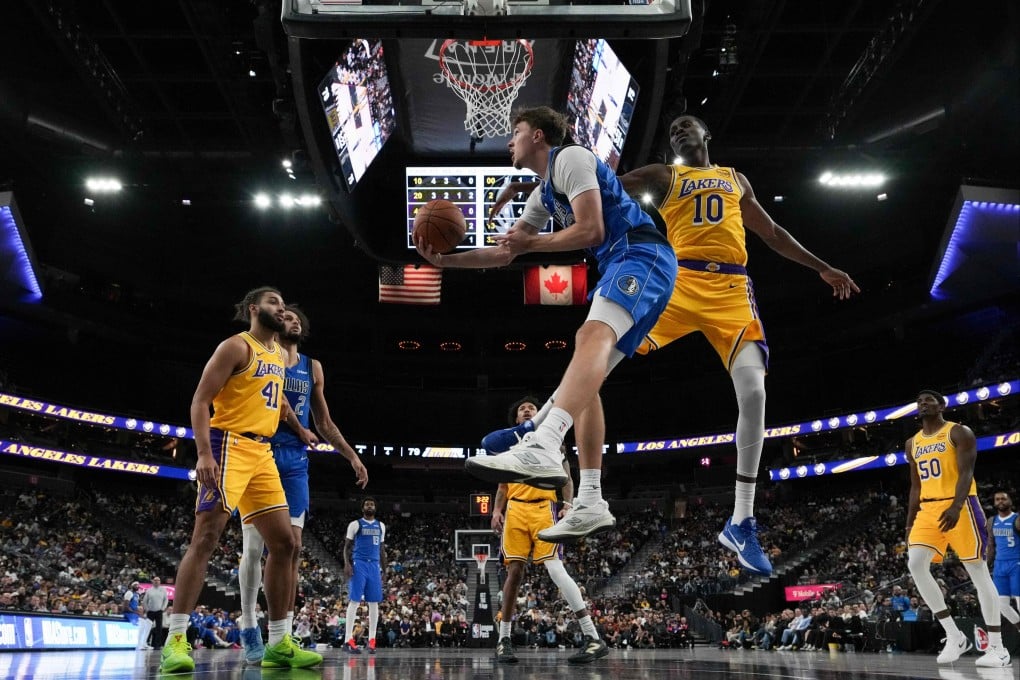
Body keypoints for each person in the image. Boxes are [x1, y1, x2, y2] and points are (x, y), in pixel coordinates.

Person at [487, 115, 858, 570]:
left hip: (731, 290)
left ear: (707, 134)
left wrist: (822, 267)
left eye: (687, 125)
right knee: (597, 357)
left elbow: (773, 234)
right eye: (673, 130)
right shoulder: (665, 176)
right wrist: (534, 187)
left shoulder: (735, 180)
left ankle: (741, 520)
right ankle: (535, 430)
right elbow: (597, 186)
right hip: (678, 282)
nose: (679, 131)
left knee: (755, 393)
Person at [418, 106, 677, 543]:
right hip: (623, 263)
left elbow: (592, 230)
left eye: (516, 131)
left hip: (641, 254)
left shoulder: (571, 158)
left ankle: (543, 441)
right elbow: (506, 253)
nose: (509, 141)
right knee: (586, 375)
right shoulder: (541, 195)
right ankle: (590, 498)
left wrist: (532, 241)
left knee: (588, 337)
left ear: (538, 135)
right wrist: (446, 262)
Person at [159, 286, 323, 673]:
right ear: (253, 309)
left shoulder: (278, 354)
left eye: (283, 304)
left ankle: (279, 643)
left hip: (262, 452)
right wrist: (203, 453)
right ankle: (175, 640)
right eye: (273, 302)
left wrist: (300, 428)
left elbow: (278, 401)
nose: (281, 308)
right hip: (228, 444)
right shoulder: (236, 346)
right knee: (206, 537)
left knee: (285, 544)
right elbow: (200, 401)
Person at [238, 304, 369, 664]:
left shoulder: (313, 367)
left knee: (293, 548)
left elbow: (323, 422)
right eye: (285, 317)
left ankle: (283, 633)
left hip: (295, 462)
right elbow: (277, 403)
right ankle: (248, 624)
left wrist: (352, 456)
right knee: (254, 548)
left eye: (297, 318)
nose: (292, 321)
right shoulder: (264, 355)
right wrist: (299, 428)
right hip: (261, 451)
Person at [486, 396, 608, 665]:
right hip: (515, 509)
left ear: (539, 414)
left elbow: (566, 476)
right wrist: (496, 511)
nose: (527, 410)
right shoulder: (507, 445)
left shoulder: (552, 440)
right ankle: (503, 640)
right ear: (517, 419)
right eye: (522, 409)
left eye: (531, 407)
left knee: (555, 568)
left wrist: (568, 504)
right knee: (514, 573)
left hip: (544, 508)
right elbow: (502, 486)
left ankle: (592, 635)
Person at [904, 389, 1011, 667]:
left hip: (961, 505)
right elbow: (915, 486)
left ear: (941, 406)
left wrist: (956, 505)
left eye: (929, 400)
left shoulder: (959, 432)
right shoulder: (912, 443)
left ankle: (998, 648)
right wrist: (910, 521)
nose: (923, 403)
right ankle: (954, 635)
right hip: (928, 509)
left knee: (978, 572)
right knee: (915, 563)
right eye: (919, 401)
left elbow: (966, 472)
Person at [342, 497, 387, 654]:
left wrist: (385, 570)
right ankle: (348, 639)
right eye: (367, 504)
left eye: (372, 504)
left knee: (374, 603)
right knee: (354, 601)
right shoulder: (355, 524)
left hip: (374, 565)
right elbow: (346, 547)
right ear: (362, 508)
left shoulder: (381, 526)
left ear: (375, 508)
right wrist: (347, 563)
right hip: (359, 563)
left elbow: (382, 549)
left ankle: (372, 640)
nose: (369, 506)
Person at [987, 489, 1020, 632]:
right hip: (999, 565)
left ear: (1010, 501)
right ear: (994, 503)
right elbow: (991, 546)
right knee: (1001, 605)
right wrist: (986, 566)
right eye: (997, 499)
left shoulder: (1017, 519)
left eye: (1003, 499)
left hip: (1016, 563)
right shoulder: (991, 521)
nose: (1000, 501)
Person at [141, 577, 169, 649]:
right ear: (153, 581)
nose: (156, 581)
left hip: (159, 611)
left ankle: (157, 645)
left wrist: (163, 608)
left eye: (158, 580)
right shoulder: (149, 590)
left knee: (159, 628)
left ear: (160, 582)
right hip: (150, 611)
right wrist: (147, 609)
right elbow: (145, 601)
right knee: (148, 628)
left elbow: (166, 600)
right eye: (155, 580)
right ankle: (145, 643)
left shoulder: (163, 590)